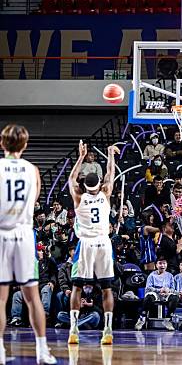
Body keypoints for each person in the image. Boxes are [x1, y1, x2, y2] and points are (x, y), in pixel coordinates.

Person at [0, 124, 57, 364]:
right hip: (24, 234)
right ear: (24, 145)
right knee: (32, 296)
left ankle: (0, 350)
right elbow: (34, 200)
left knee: (1, 298)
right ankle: (42, 350)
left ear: (2, 144)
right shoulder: (32, 170)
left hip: (2, 232)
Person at [67, 140, 119, 345]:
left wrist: (81, 156)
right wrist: (110, 154)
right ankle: (107, 330)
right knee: (107, 289)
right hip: (103, 244)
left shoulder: (78, 197)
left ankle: (73, 329)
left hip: (86, 244)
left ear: (85, 185)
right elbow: (110, 174)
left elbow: (71, 178)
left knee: (77, 288)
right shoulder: (106, 193)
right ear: (98, 184)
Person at [134, 257, 178, 331]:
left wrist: (168, 291)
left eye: (164, 263)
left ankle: (167, 320)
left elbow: (173, 289)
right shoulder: (151, 275)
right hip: (155, 293)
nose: (162, 265)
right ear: (156, 265)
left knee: (175, 298)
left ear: (166, 265)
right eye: (160, 263)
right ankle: (142, 319)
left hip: (166, 294)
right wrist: (159, 290)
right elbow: (148, 288)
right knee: (148, 297)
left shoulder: (170, 276)